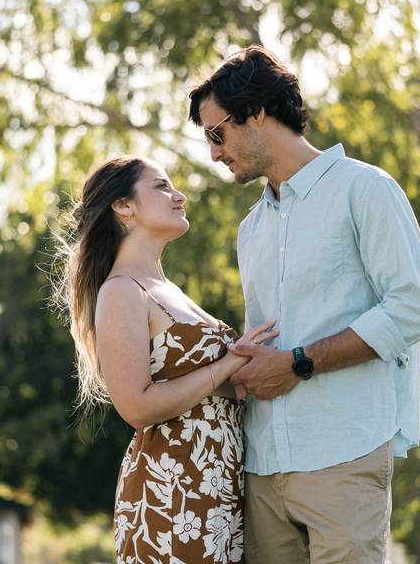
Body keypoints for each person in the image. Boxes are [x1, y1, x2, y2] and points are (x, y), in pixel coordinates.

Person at [188, 46, 420, 563]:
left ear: (257, 112)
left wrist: (299, 363)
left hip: (343, 456)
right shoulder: (250, 229)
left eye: (218, 133)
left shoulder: (365, 190)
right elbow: (265, 343)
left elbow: (414, 308)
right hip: (261, 467)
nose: (214, 153)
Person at [55, 156, 278, 563]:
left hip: (219, 487)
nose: (179, 195)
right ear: (123, 207)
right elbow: (137, 406)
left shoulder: (166, 289)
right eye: (161, 187)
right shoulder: (122, 290)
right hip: (171, 493)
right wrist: (226, 366)